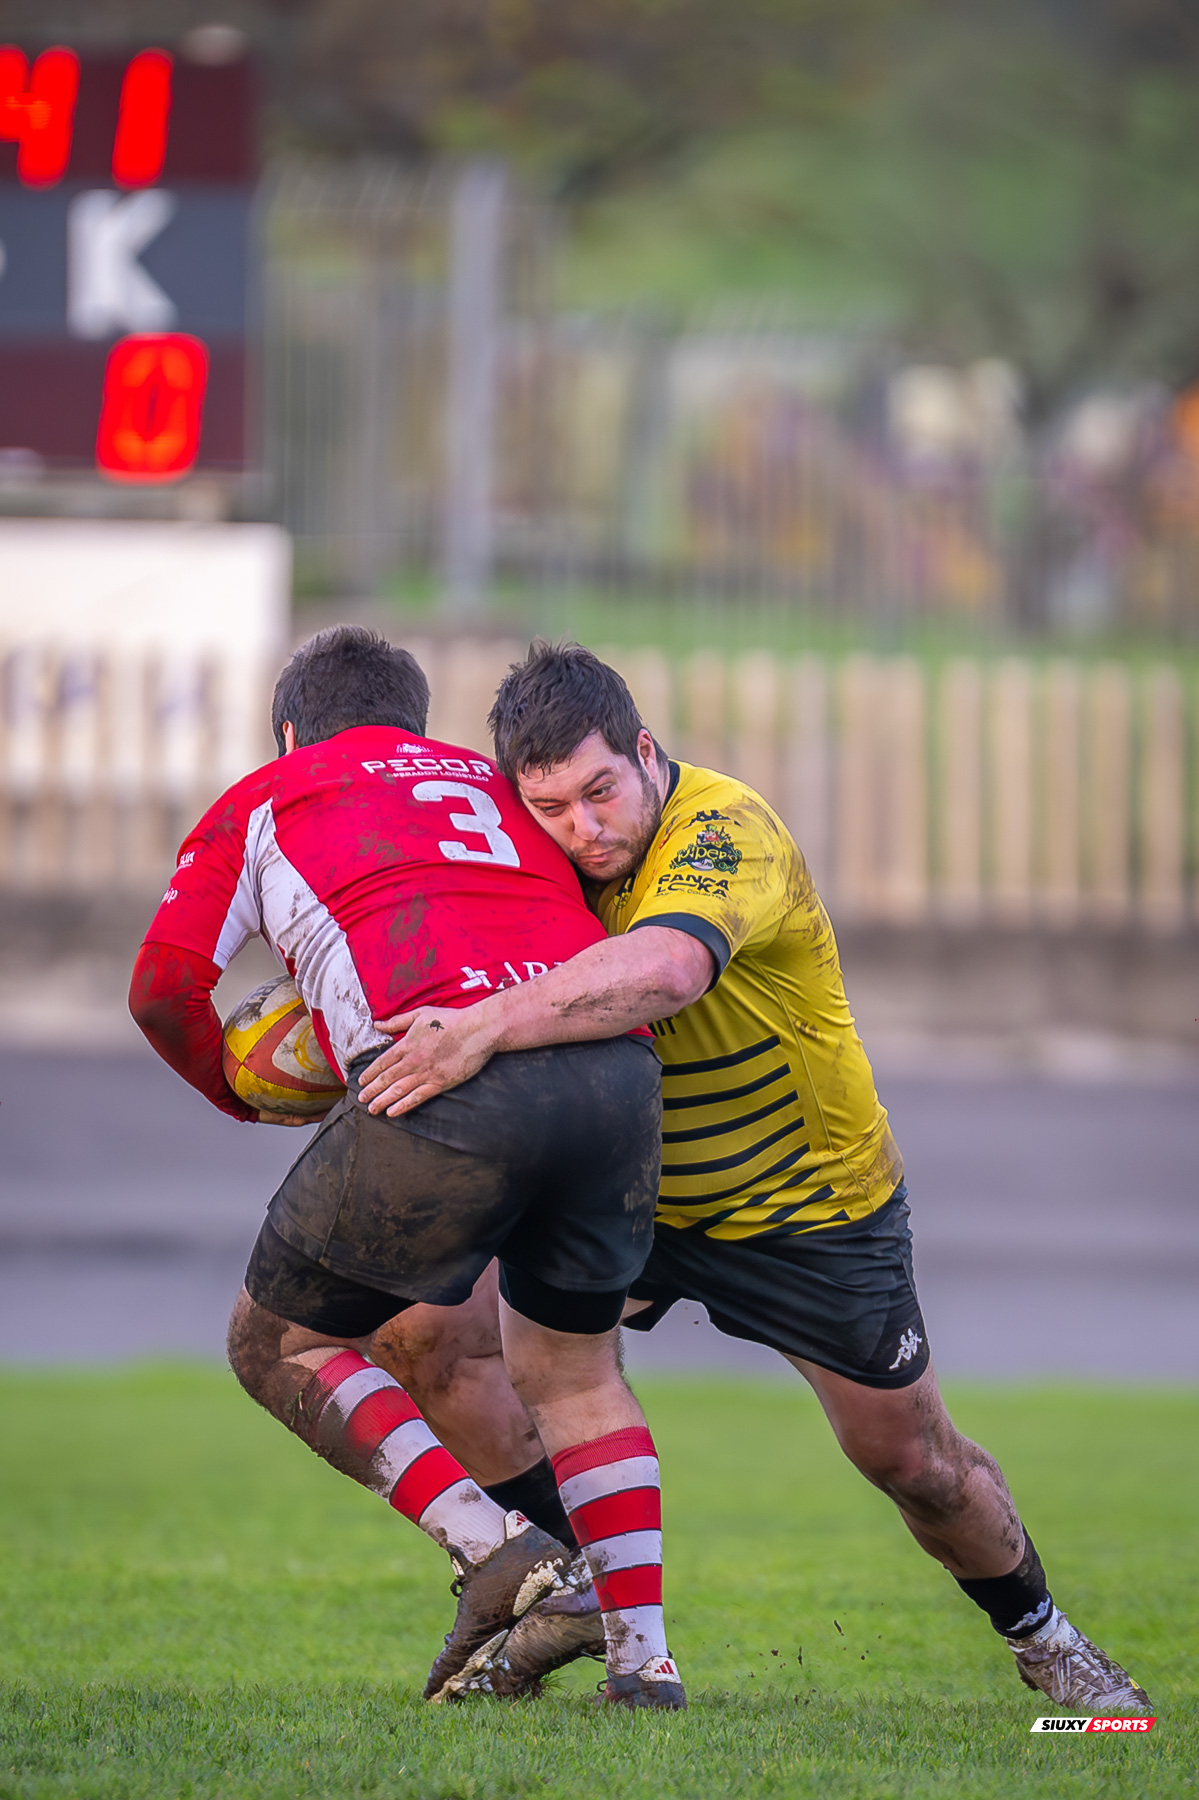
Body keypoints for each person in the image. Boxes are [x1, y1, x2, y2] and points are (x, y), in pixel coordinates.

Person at [357, 639, 1152, 1715]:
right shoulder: (526, 852)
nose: (584, 830)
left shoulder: (724, 829)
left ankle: (1045, 1638)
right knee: (422, 1329)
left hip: (803, 1205)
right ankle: (584, 1578)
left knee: (910, 1461)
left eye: (600, 791)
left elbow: (666, 970)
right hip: (626, 1193)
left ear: (643, 752)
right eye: (551, 808)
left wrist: (478, 1031)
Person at [127, 626, 686, 1711]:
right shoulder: (492, 783)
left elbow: (162, 988)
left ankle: (498, 1551)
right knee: (574, 1374)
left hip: (450, 1076)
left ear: (289, 731)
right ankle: (643, 1664)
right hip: (616, 1081)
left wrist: (237, 1092)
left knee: (278, 1340)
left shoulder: (273, 791)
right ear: (414, 729)